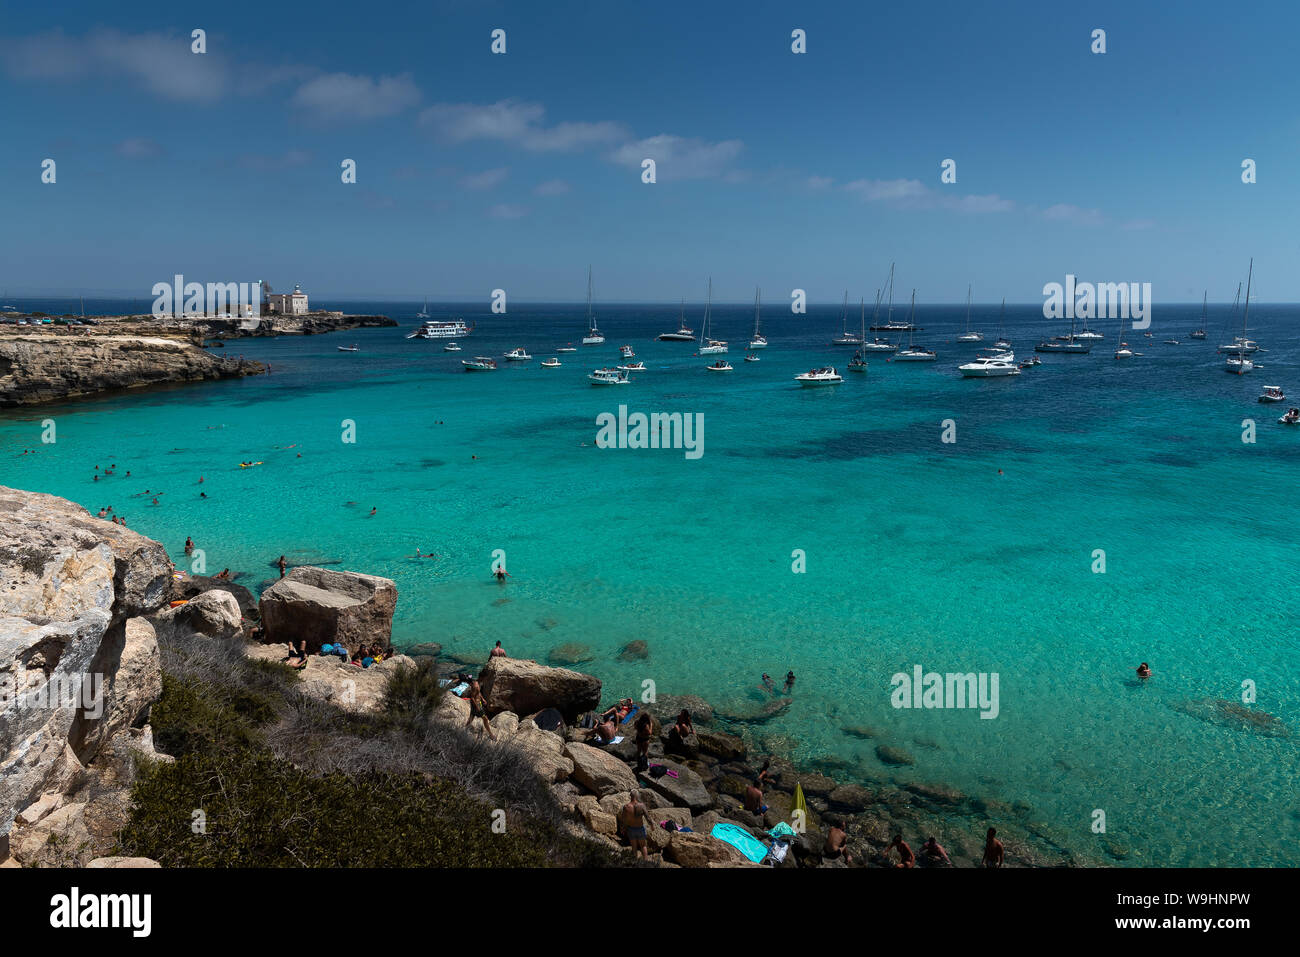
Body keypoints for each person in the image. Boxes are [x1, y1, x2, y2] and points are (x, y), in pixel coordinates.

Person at [620, 790, 650, 861]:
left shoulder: (626, 807)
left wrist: (623, 828)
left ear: (630, 796)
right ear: (637, 796)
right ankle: (646, 863)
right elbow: (647, 817)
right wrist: (651, 825)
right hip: (640, 829)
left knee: (634, 847)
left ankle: (634, 863)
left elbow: (624, 819)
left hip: (631, 829)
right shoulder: (642, 806)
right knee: (643, 846)